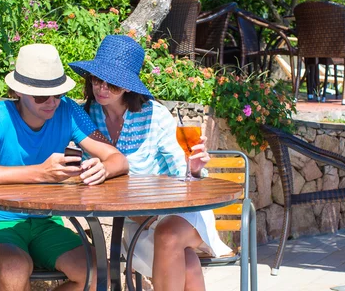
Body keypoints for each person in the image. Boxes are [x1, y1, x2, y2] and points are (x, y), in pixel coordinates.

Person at [0, 43, 129, 291]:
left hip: (45, 223)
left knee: (96, 271)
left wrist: (105, 168)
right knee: (13, 269)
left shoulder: (68, 110)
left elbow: (118, 159)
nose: (52, 103)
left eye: (57, 94)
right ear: (18, 92)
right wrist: (39, 172)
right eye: (41, 96)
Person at [70, 35, 232, 291]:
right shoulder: (87, 117)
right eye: (96, 79)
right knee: (188, 264)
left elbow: (183, 171)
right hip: (137, 222)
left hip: (179, 213)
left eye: (111, 84)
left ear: (127, 87)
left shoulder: (155, 116)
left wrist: (194, 169)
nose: (101, 88)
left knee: (168, 235)